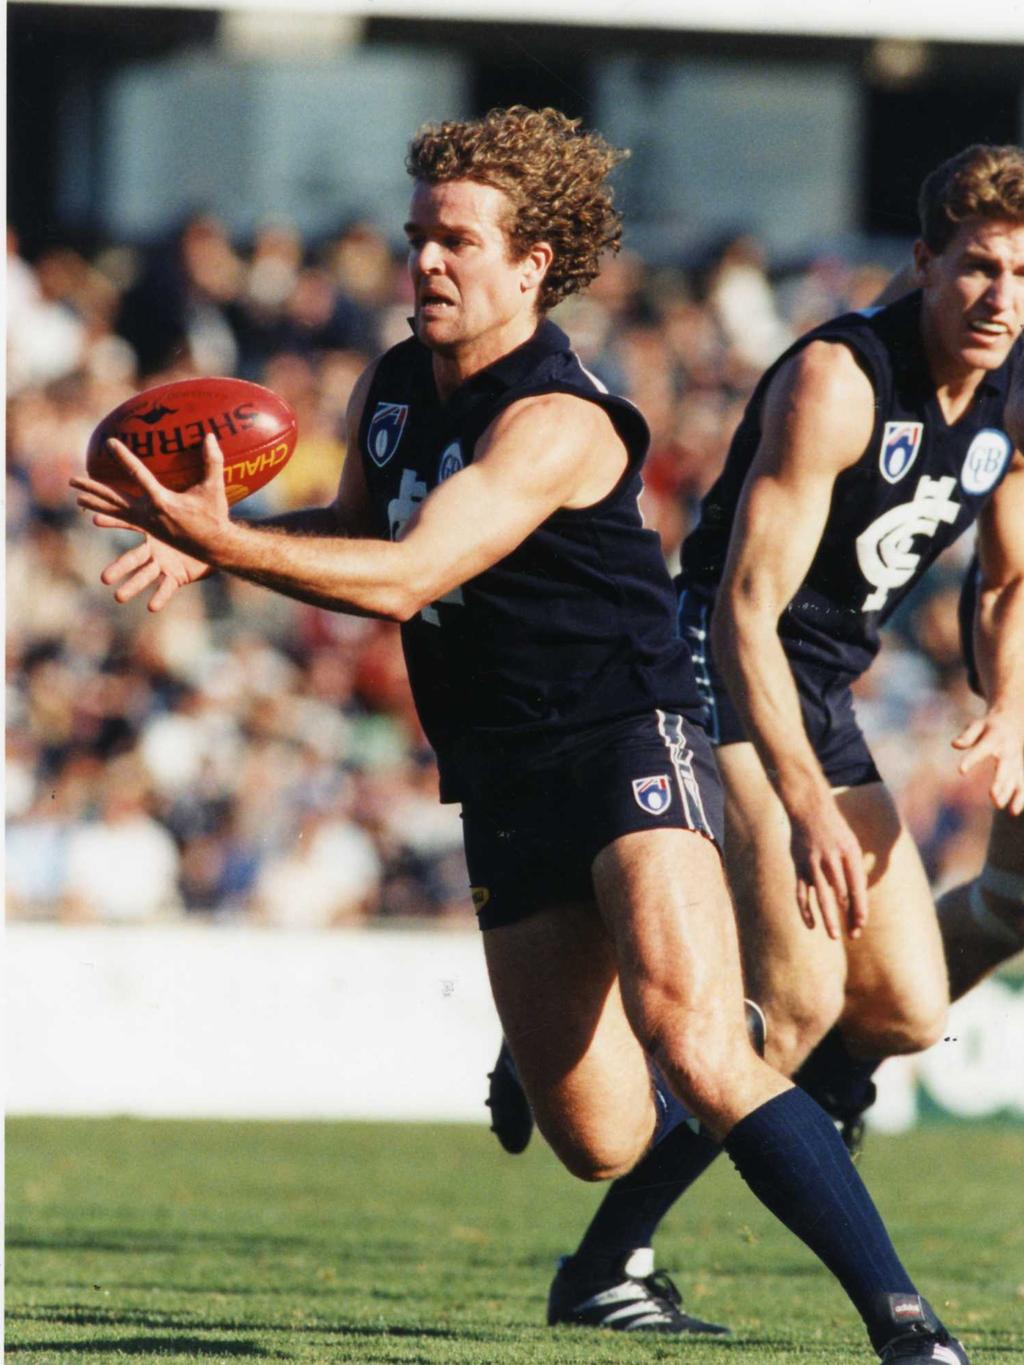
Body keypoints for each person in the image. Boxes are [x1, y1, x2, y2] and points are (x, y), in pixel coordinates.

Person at [73, 106, 970, 1362]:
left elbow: (406, 578)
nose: (424, 263)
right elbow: (366, 527)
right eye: (416, 237)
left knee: (702, 1041)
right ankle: (618, 1029)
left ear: (531, 265)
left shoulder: (560, 421)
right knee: (599, 1136)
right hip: (498, 770)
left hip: (628, 732)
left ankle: (906, 1326)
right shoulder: (392, 384)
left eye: (456, 242)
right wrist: (213, 547)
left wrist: (228, 543)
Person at [488, 142, 1024, 1333]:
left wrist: (1013, 704)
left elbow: (1005, 581)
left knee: (899, 1009)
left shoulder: (1008, 389)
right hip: (710, 675)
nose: (1001, 298)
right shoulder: (840, 380)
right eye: (978, 268)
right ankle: (605, 1270)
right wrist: (805, 805)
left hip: (817, 690)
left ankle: (619, 1018)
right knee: (789, 1009)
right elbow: (741, 607)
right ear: (923, 261)